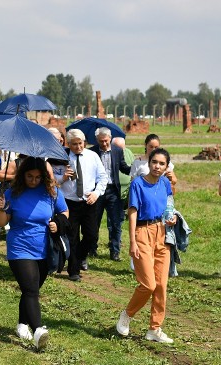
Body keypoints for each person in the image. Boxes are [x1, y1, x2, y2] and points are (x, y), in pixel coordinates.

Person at [0, 157, 69, 350]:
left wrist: (58, 222)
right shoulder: (12, 193)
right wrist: (0, 207)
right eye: (30, 176)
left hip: (44, 248)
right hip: (20, 247)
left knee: (32, 289)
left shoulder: (51, 192)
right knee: (30, 290)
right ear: (22, 175)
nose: (34, 180)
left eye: (38, 177)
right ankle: (38, 331)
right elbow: (1, 222)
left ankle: (22, 324)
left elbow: (65, 211)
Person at [116, 148, 177, 344]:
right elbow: (132, 212)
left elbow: (169, 205)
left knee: (161, 286)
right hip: (142, 233)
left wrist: (172, 217)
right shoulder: (138, 184)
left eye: (162, 164)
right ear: (149, 163)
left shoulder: (166, 183)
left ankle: (154, 328)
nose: (157, 166)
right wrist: (133, 241)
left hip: (162, 233)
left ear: (167, 166)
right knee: (148, 284)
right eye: (155, 162)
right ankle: (127, 314)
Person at [54, 129, 107, 281]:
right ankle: (73, 271)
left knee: (91, 235)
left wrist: (97, 193)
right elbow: (52, 179)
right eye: (74, 144)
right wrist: (63, 177)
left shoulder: (92, 156)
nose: (78, 147)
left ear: (84, 142)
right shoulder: (61, 158)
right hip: (69, 202)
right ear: (68, 144)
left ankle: (80, 256)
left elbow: (103, 177)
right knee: (72, 238)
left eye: (80, 143)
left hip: (88, 201)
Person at [89, 128, 131, 261]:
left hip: (113, 190)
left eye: (106, 141)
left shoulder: (117, 151)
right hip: (97, 191)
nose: (104, 144)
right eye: (101, 141)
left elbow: (123, 167)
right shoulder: (92, 152)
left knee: (115, 222)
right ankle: (92, 249)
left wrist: (135, 169)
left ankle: (115, 251)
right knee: (94, 221)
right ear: (97, 140)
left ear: (110, 138)